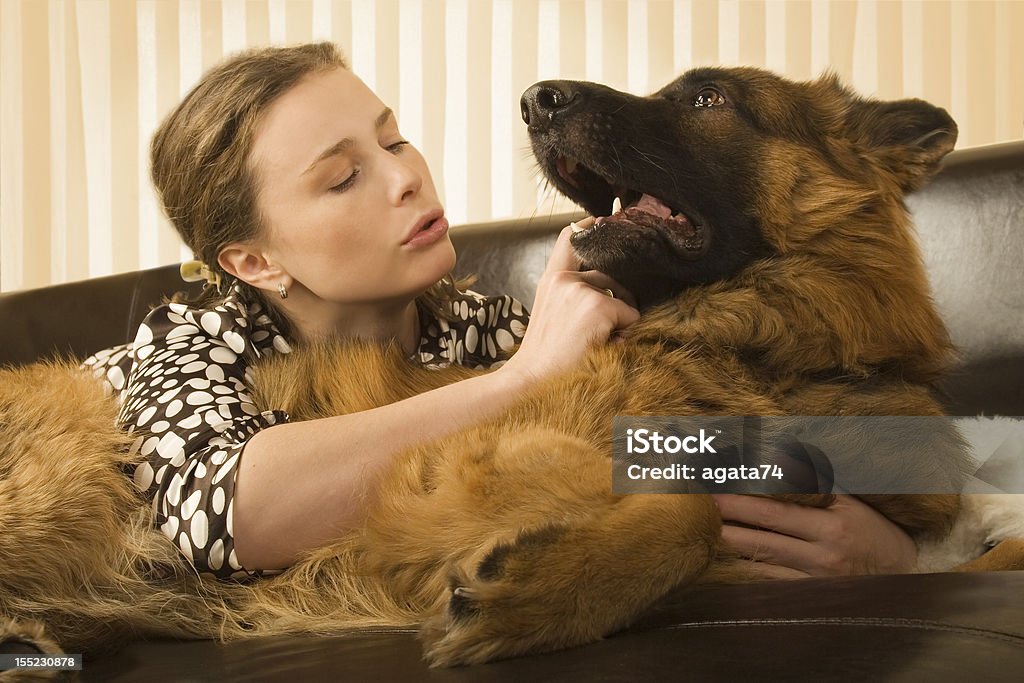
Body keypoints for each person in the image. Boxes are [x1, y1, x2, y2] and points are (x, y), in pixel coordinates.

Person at [82, 41, 916, 582]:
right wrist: (522, 379)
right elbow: (216, 511)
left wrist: (897, 548)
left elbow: (680, 446)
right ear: (253, 261)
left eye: (393, 139)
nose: (406, 176)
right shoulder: (189, 343)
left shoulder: (477, 325)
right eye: (343, 177)